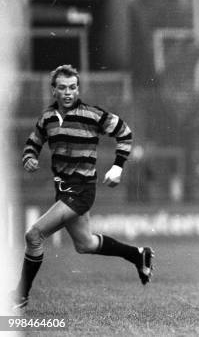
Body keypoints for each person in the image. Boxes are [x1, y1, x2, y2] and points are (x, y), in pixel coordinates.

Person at [12, 65, 153, 309]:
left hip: (81, 189)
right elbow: (32, 143)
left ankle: (20, 296)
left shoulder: (92, 115)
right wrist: (29, 157)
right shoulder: (47, 118)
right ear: (53, 90)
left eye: (73, 87)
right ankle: (138, 254)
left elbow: (125, 133)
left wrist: (118, 167)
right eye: (63, 87)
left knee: (34, 235)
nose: (68, 92)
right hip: (63, 188)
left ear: (78, 89)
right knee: (85, 244)